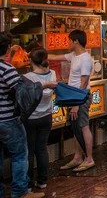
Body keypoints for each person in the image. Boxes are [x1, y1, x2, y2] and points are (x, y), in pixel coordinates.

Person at [1, 33, 48, 198]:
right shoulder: (7, 69)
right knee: (20, 154)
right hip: (8, 120)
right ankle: (20, 192)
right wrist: (43, 86)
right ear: (8, 49)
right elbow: (21, 92)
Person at [49, 30, 95, 173]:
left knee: (83, 127)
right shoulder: (73, 56)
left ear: (76, 41)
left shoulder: (85, 59)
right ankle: (77, 157)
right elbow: (55, 57)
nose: (68, 43)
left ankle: (89, 158)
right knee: (76, 128)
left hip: (80, 98)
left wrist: (76, 103)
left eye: (69, 40)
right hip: (74, 98)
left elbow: (84, 83)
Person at [24, 48, 57, 190]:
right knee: (42, 149)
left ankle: (28, 183)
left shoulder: (28, 77)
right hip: (46, 116)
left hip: (31, 118)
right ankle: (42, 181)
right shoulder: (53, 74)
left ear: (31, 60)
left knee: (29, 151)